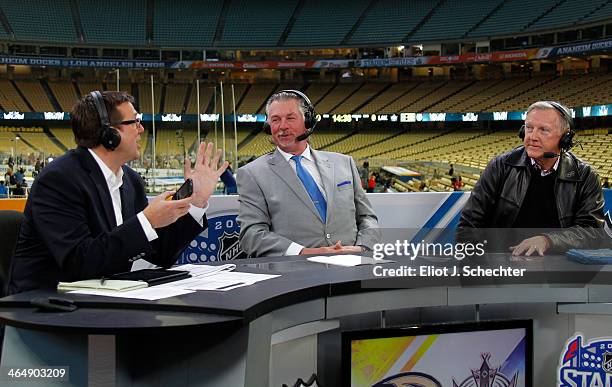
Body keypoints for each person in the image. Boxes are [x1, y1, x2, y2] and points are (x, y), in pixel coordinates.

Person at [8, 91, 228, 294]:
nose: (141, 129)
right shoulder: (58, 180)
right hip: (49, 308)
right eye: (135, 122)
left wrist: (196, 202)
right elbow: (80, 263)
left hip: (106, 302)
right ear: (109, 133)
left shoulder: (131, 181)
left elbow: (162, 253)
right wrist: (146, 221)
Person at [237, 90, 380, 257]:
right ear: (269, 126)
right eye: (275, 120)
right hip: (296, 275)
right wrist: (304, 252)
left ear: (308, 121)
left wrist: (362, 247)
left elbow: (367, 218)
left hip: (352, 269)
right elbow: (251, 235)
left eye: (290, 118)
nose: (282, 126)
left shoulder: (344, 163)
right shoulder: (252, 173)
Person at [457, 101, 605, 256]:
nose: (533, 137)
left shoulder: (586, 176)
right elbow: (468, 226)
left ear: (565, 137)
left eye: (544, 130)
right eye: (529, 128)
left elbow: (592, 233)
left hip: (558, 270)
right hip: (503, 267)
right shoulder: (500, 166)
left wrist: (548, 241)